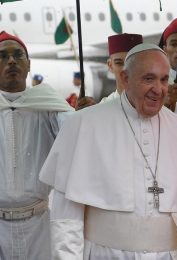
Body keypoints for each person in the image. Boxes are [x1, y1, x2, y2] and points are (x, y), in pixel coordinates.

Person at [39, 43, 177, 259]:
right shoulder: (84, 124)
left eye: (164, 79)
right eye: (149, 78)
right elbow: (67, 219)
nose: (159, 89)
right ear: (126, 78)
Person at [0, 31, 74, 259]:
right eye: (2, 56)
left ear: (29, 64)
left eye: (18, 55)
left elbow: (74, 137)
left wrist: (82, 115)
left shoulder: (49, 106)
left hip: (39, 225)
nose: (11, 60)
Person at [102, 33, 143, 102]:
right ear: (110, 66)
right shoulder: (102, 108)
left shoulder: (154, 106)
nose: (125, 69)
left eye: (132, 63)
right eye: (119, 63)